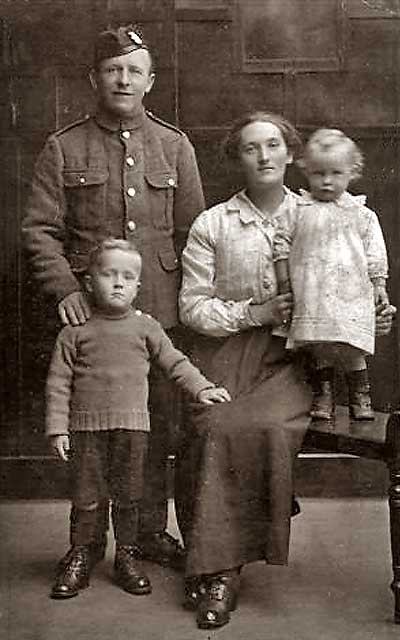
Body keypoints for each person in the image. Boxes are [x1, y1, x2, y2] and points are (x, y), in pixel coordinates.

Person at [175, 111, 395, 630]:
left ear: (292, 154)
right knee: (212, 423)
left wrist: (373, 315)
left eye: (274, 145)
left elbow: (360, 279)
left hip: (298, 360)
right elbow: (192, 307)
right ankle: (215, 564)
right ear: (236, 158)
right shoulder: (214, 224)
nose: (265, 156)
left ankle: (220, 570)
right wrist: (255, 312)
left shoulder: (323, 211)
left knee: (260, 426)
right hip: (230, 352)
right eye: (251, 147)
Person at [22, 23, 205, 585]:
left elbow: (194, 234)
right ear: (94, 78)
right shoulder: (65, 146)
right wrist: (68, 291)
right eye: (112, 69)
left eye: (133, 71)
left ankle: (145, 534)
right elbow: (38, 231)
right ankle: (85, 545)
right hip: (91, 323)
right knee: (90, 438)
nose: (122, 79)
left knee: (152, 434)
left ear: (149, 81)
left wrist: (189, 308)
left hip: (159, 318)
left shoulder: (174, 145)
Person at [47, 238, 230, 599]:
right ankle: (83, 551)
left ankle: (127, 556)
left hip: (133, 430)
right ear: (88, 281)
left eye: (128, 277)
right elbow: (57, 383)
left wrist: (202, 388)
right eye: (108, 274)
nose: (118, 283)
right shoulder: (74, 332)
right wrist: (56, 429)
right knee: (86, 496)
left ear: (138, 286)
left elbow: (175, 363)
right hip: (86, 429)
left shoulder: (146, 328)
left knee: (130, 495)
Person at [273, 128, 389, 421]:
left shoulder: (360, 213)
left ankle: (359, 396)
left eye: (336, 173)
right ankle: (323, 394)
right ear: (306, 171)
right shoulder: (296, 209)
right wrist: (285, 282)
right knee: (319, 346)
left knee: (352, 348)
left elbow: (375, 252)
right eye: (318, 173)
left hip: (350, 292)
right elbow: (280, 245)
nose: (326, 181)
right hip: (312, 291)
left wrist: (379, 284)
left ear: (353, 172)